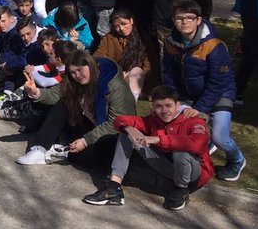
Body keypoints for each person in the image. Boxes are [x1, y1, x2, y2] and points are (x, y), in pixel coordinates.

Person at [83, 85, 213, 211]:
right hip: (168, 167)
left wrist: (157, 139)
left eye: (169, 106)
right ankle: (114, 188)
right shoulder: (154, 120)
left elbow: (197, 144)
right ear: (153, 107)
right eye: (159, 106)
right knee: (126, 135)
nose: (164, 111)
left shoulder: (193, 120)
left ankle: (181, 190)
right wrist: (128, 128)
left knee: (181, 152)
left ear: (178, 105)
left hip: (192, 174)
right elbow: (120, 120)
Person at [161, 0, 246, 182]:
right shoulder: (170, 43)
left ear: (198, 20)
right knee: (175, 126)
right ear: (173, 20)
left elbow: (218, 83)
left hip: (220, 94)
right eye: (179, 18)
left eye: (189, 18)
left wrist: (200, 109)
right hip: (188, 95)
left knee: (220, 137)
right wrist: (173, 99)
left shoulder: (214, 46)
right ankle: (198, 151)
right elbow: (168, 73)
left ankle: (237, 160)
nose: (184, 22)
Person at [16, 50, 136, 166]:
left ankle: (64, 150)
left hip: (112, 135)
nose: (77, 75)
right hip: (87, 124)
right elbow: (55, 94)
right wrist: (35, 92)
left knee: (96, 160)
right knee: (63, 103)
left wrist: (86, 140)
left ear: (90, 65)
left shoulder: (115, 86)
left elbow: (116, 123)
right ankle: (41, 149)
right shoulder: (73, 80)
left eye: (80, 70)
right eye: (73, 72)